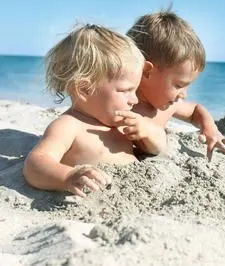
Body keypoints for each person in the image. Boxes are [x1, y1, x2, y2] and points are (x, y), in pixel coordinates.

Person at [23, 24, 163, 197]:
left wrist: (146, 132)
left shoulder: (120, 122)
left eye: (135, 90)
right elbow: (35, 163)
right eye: (125, 90)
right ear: (84, 90)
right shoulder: (68, 126)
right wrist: (67, 176)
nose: (134, 100)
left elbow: (156, 149)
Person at [127, 9, 225, 161]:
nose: (184, 94)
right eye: (179, 85)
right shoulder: (124, 106)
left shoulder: (169, 106)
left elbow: (195, 110)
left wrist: (210, 129)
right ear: (147, 72)